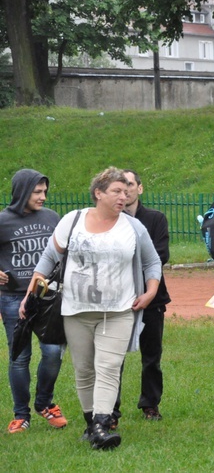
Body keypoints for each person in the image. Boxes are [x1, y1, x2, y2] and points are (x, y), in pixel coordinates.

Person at [29, 166, 161, 450]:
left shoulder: (133, 227)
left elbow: (152, 262)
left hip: (119, 310)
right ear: (98, 193)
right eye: (116, 191)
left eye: (126, 192)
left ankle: (102, 424)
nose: (123, 197)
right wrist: (32, 293)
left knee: (109, 366)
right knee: (85, 370)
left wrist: (150, 292)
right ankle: (91, 425)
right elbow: (49, 257)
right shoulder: (72, 220)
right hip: (76, 310)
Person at [0, 169, 66, 434]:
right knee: (19, 357)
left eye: (44, 191)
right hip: (14, 297)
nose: (43, 196)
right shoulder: (3, 220)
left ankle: (44, 403)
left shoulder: (52, 217)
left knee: (53, 352)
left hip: (47, 296)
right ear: (22, 192)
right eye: (37, 191)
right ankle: (21, 415)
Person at [112, 169, 171, 423]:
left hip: (152, 298)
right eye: (121, 185)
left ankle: (150, 405)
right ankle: (111, 409)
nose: (126, 190)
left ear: (140, 188)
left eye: (130, 184)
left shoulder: (156, 219)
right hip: (118, 298)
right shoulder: (110, 220)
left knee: (152, 357)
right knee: (113, 357)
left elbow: (160, 256)